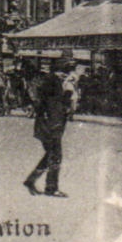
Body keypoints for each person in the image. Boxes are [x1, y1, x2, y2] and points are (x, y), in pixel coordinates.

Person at [24, 59, 72, 198]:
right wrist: (68, 92)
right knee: (55, 155)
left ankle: (31, 180)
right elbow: (57, 105)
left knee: (50, 155)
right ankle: (51, 188)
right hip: (51, 125)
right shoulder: (54, 83)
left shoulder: (51, 81)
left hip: (48, 124)